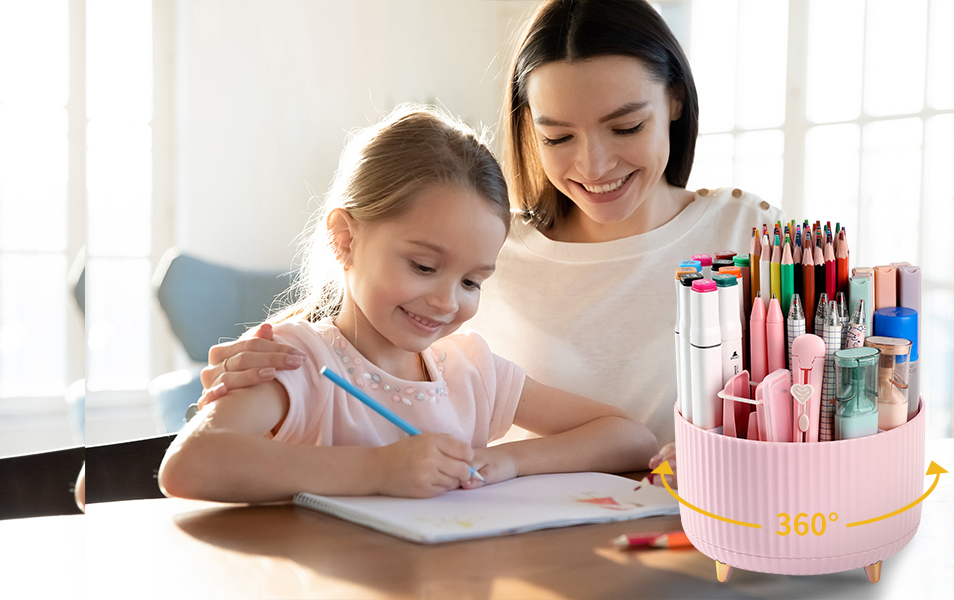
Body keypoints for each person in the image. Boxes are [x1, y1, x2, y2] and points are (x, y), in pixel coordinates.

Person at [195, 0, 785, 490]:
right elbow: (358, 324)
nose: (594, 165)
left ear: (675, 100)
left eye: (626, 126)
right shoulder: (488, 243)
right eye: (558, 136)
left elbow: (809, 404)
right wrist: (261, 355)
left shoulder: (752, 236)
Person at [158, 106, 658, 502]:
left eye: (471, 281)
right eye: (422, 266)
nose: (445, 301)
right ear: (345, 239)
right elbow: (189, 465)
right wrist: (378, 470)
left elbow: (630, 438)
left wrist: (507, 460)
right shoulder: (299, 360)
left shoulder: (470, 372)